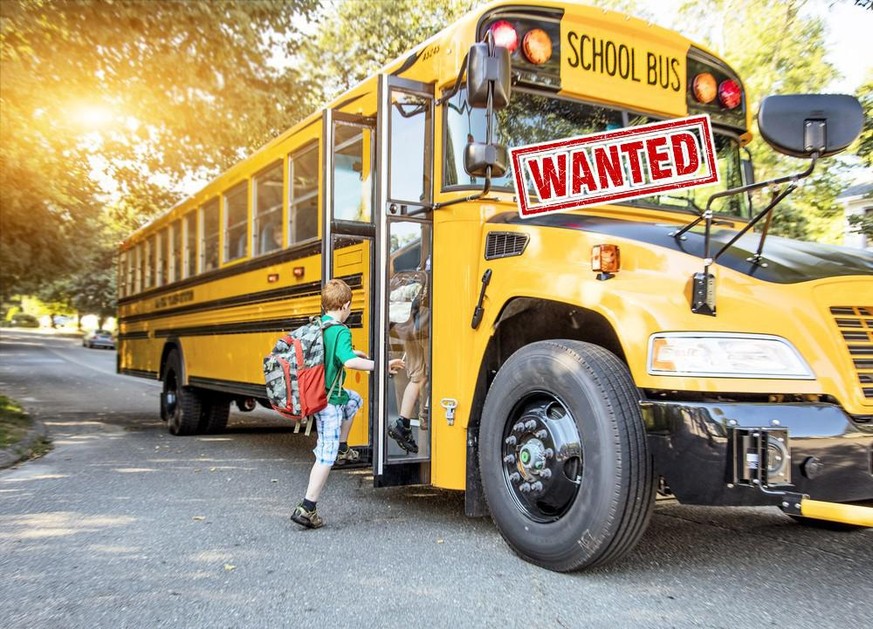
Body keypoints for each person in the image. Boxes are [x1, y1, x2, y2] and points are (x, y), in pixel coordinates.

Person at [291, 278, 402, 529]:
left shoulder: (319, 325)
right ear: (346, 305)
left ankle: (343, 446)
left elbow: (339, 355)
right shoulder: (341, 330)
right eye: (350, 307)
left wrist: (355, 353)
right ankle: (307, 507)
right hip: (328, 404)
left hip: (324, 395)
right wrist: (380, 366)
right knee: (324, 457)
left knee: (354, 400)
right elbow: (348, 363)